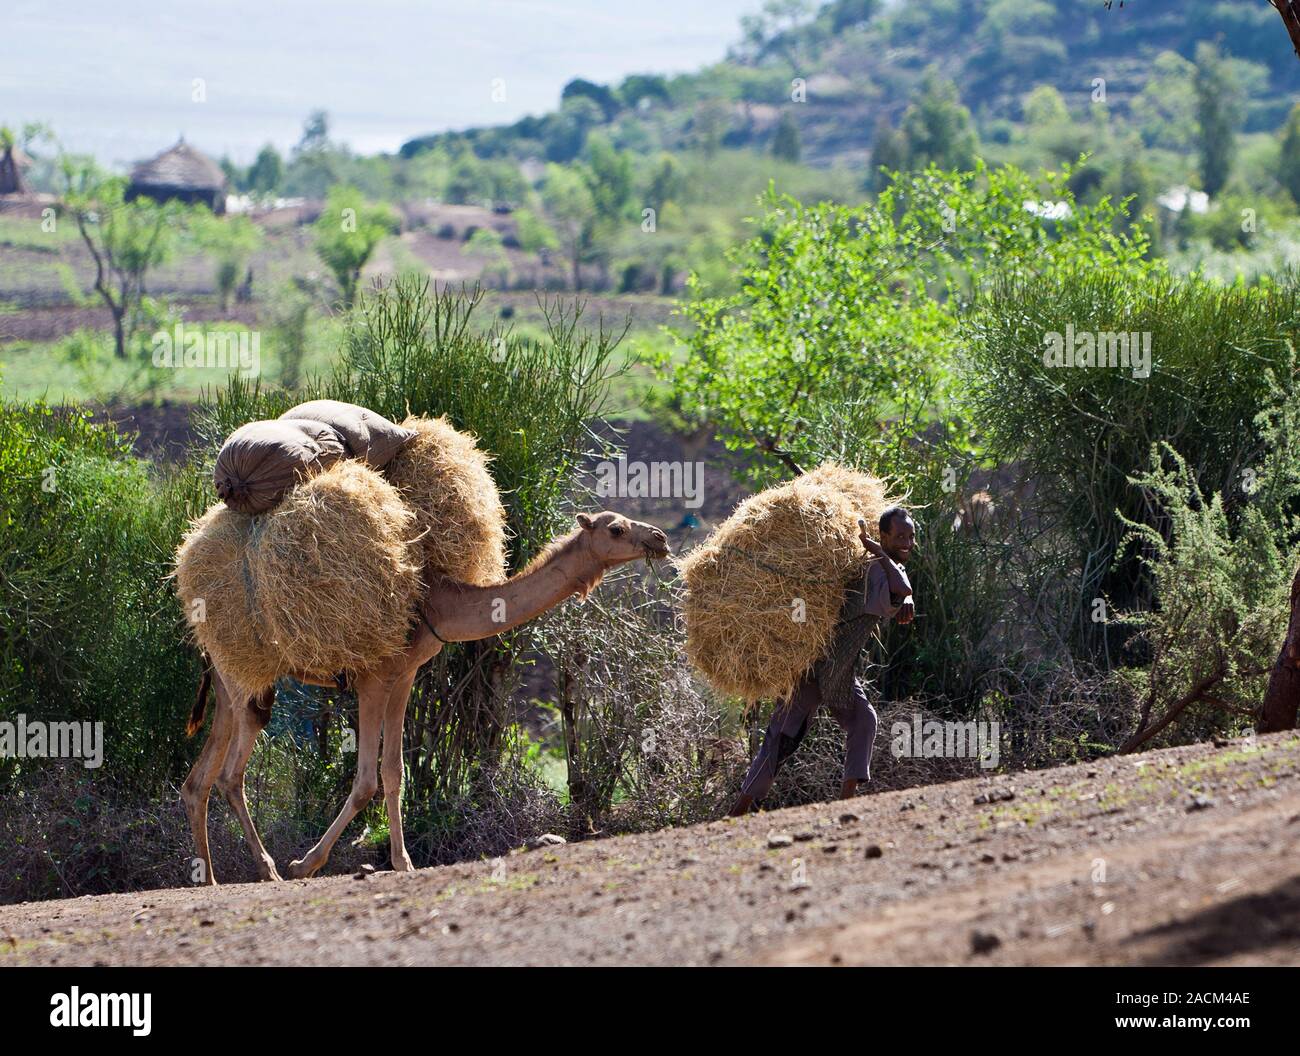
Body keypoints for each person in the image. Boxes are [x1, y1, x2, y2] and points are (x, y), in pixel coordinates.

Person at [729, 506, 916, 816]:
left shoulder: (884, 566)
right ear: (882, 536)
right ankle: (740, 810)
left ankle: (841, 804)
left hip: (832, 667)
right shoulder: (875, 569)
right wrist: (876, 552)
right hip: (822, 666)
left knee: (838, 725)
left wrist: (905, 596)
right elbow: (902, 587)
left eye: (911, 536)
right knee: (784, 737)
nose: (907, 542)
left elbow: (903, 588)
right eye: (899, 537)